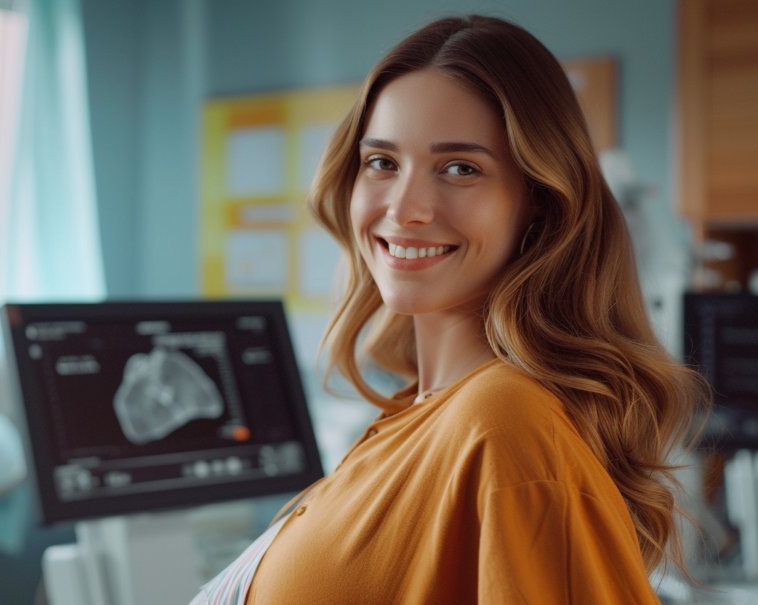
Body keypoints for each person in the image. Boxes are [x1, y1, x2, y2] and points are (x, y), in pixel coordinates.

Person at [191, 14, 707, 604]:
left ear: (540, 202)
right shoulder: (415, 414)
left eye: (460, 168)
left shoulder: (506, 425)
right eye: (382, 162)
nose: (405, 207)